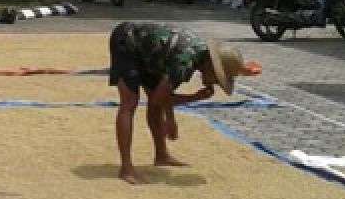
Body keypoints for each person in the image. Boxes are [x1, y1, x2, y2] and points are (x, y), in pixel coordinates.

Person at [108, 22, 258, 184]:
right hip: (127, 42)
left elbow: (163, 93)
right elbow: (161, 98)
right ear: (211, 66)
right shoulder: (185, 62)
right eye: (218, 79)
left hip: (151, 54)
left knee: (154, 102)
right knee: (129, 103)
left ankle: (161, 154)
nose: (215, 83)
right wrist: (196, 97)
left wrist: (170, 118)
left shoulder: (197, 55)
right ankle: (126, 168)